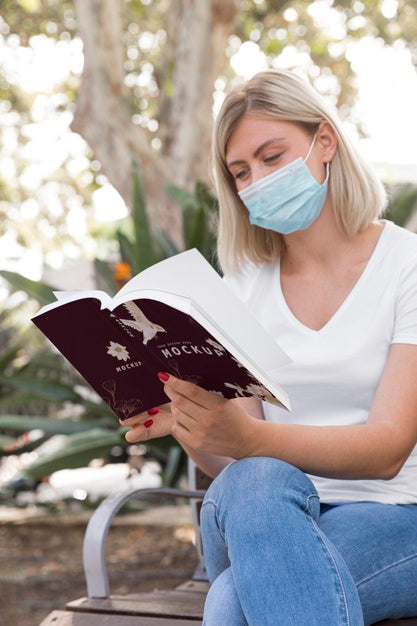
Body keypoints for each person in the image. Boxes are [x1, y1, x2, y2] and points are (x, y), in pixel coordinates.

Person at [122, 70, 417, 625]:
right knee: (258, 478)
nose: (257, 180)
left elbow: (389, 449)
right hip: (262, 513)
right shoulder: (241, 290)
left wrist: (252, 439)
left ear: (324, 142)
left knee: (233, 602)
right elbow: (237, 457)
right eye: (240, 171)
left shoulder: (408, 267)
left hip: (397, 515)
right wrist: (190, 424)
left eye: (272, 157)